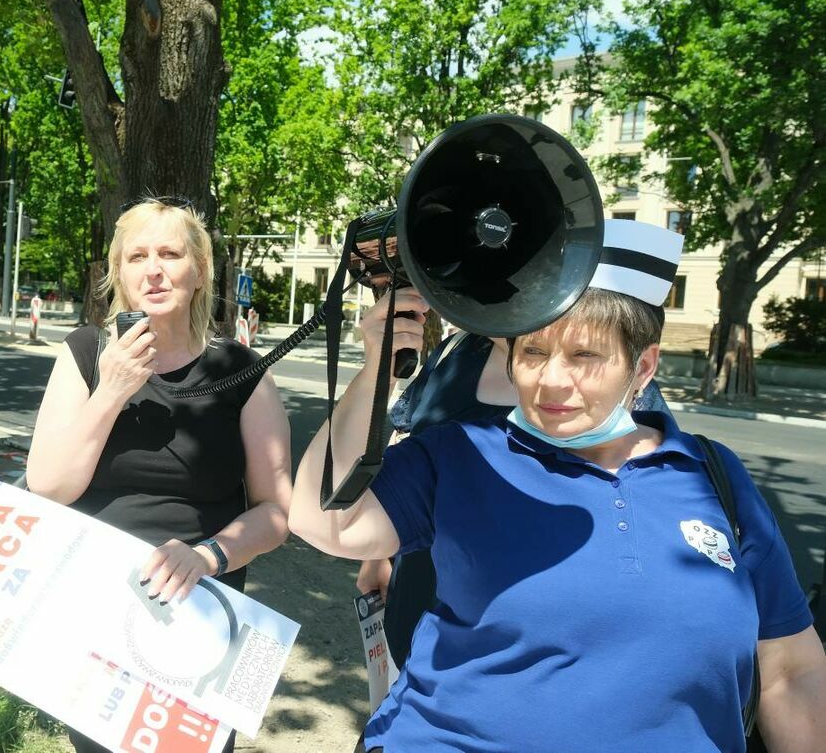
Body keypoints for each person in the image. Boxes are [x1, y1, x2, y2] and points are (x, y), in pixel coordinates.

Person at [291, 220, 826, 752]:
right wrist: (375, 374)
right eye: (533, 352)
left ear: (643, 367)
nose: (551, 380)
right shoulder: (461, 454)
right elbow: (323, 521)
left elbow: (791, 670)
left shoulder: (713, 474)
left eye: (584, 356)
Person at [26, 198, 293, 753]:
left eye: (170, 254)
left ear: (198, 271)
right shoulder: (84, 354)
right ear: (118, 274)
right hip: (97, 604)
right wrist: (113, 388)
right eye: (136, 256)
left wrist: (208, 555)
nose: (154, 269)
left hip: (198, 615)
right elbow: (49, 484)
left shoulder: (241, 372)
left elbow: (276, 513)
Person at [358, 220, 675, 670]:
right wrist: (377, 555)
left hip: (536, 612)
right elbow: (404, 439)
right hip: (424, 585)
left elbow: (648, 495)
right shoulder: (453, 354)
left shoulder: (617, 387)